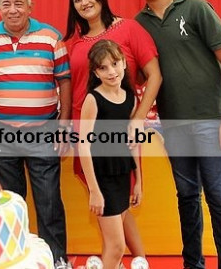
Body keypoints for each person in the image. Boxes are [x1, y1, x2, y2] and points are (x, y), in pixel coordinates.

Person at [131, 0, 221, 269]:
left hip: (211, 122)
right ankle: (193, 264)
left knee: (220, 199)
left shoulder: (195, 8)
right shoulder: (139, 25)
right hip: (173, 125)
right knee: (187, 196)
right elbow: (141, 75)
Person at [65, 0, 161, 258]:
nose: (84, 2)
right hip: (87, 133)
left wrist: (138, 119)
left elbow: (154, 76)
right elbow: (72, 87)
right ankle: (125, 258)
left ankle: (134, 259)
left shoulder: (129, 29)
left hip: (121, 130)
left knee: (121, 200)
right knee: (109, 203)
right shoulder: (74, 42)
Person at [0, 0, 72, 268]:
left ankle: (57, 260)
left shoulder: (51, 37)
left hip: (43, 130)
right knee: (9, 204)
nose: (13, 10)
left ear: (30, 6)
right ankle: (15, 260)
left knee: (49, 202)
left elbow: (64, 81)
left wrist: (64, 125)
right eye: (6, 4)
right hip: (0, 131)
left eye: (19, 4)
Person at [79, 40, 149, 269]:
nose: (111, 71)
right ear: (95, 73)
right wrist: (94, 190)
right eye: (103, 67)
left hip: (122, 173)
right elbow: (83, 146)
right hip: (102, 177)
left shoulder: (130, 98)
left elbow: (132, 143)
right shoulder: (93, 99)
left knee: (114, 246)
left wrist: (138, 181)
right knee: (117, 246)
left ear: (124, 63)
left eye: (115, 64)